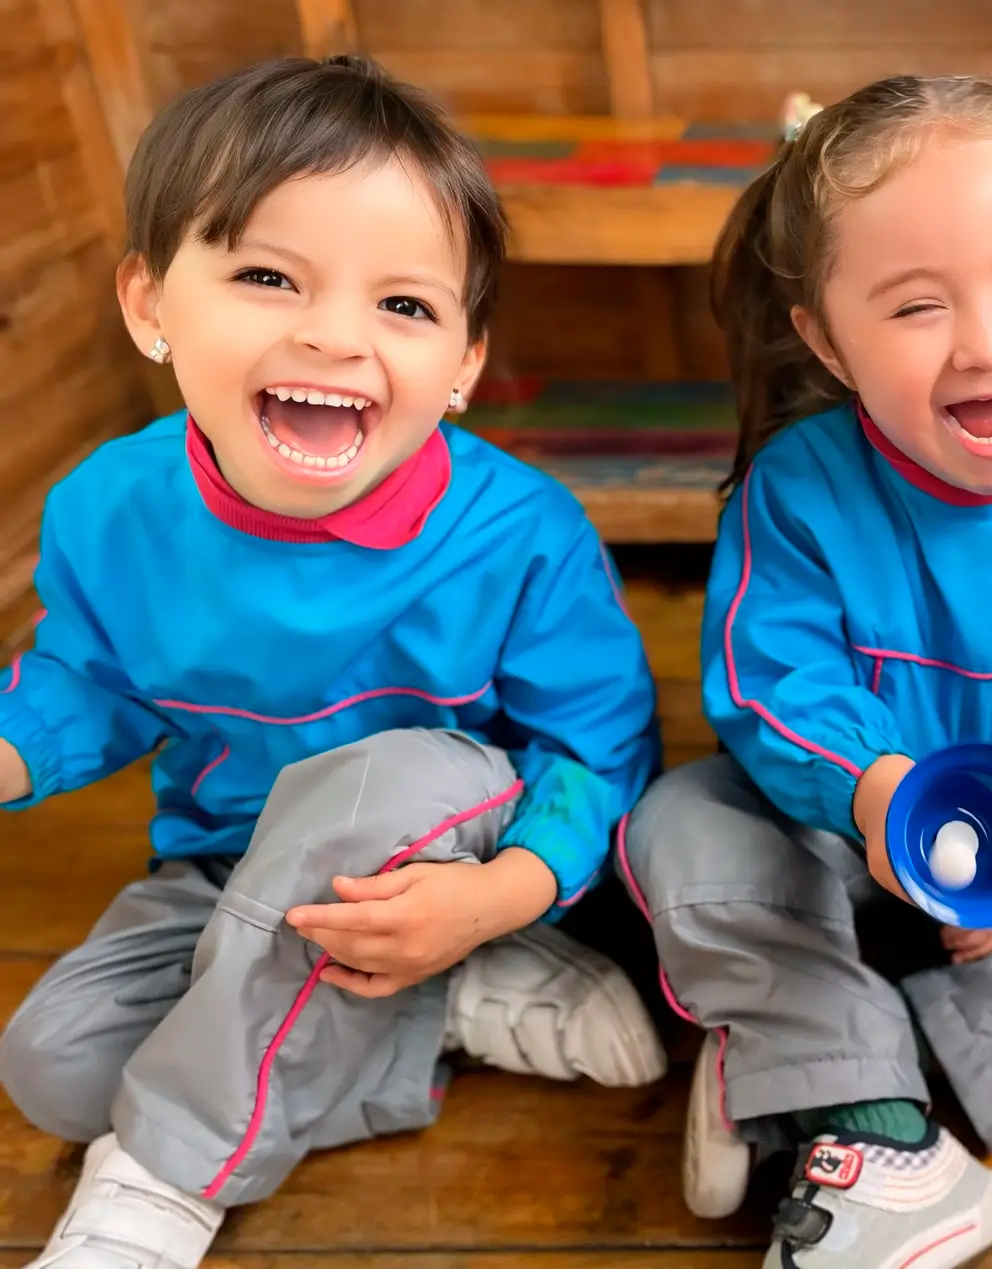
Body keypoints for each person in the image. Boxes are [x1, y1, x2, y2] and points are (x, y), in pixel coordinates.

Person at [0, 56, 665, 1269]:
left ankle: (158, 1185)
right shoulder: (109, 507)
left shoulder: (520, 532)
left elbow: (596, 745)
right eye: (266, 276)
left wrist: (502, 897)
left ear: (464, 364)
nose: (332, 334)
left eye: (404, 306)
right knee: (56, 1064)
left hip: (438, 861)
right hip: (225, 869)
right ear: (152, 306)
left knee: (384, 777)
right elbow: (86, 681)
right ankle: (431, 1018)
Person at [616, 61, 992, 1269]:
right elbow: (767, 682)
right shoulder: (799, 488)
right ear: (827, 342)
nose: (984, 345)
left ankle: (825, 1087)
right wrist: (874, 790)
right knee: (679, 829)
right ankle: (875, 1125)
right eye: (916, 307)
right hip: (840, 830)